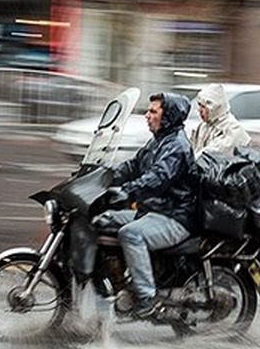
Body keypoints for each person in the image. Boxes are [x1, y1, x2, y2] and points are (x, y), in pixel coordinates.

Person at [96, 92, 198, 318]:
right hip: (153, 211)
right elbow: (133, 165)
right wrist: (102, 178)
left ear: (168, 115)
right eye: (148, 110)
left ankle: (146, 297)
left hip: (175, 216)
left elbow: (158, 178)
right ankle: (114, 281)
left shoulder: (177, 147)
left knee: (131, 234)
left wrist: (126, 191)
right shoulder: (158, 141)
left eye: (153, 111)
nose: (147, 115)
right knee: (101, 220)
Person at [190, 83, 251, 157]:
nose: (199, 110)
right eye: (199, 105)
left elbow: (210, 153)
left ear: (215, 108)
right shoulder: (202, 126)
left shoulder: (232, 129)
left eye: (203, 107)